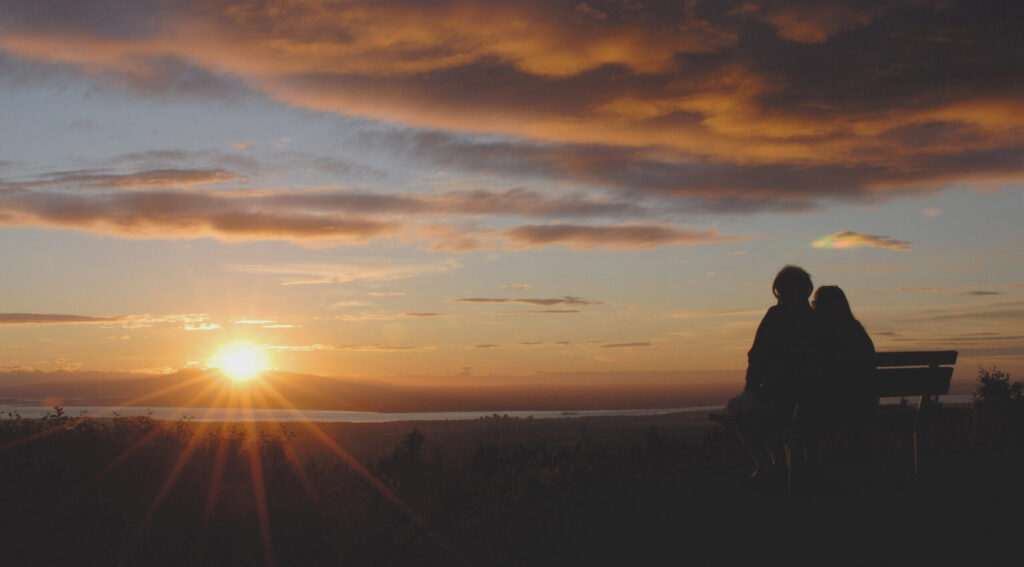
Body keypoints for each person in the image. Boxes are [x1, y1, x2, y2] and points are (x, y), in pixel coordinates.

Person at [732, 265, 819, 477]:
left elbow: (756, 356)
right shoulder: (818, 320)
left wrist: (750, 389)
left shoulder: (775, 317)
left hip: (783, 400)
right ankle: (780, 466)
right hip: (817, 403)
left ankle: (768, 466)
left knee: (739, 411)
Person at [801, 285, 877, 431]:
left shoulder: (823, 337)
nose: (813, 307)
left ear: (824, 307)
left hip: (832, 409)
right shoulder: (857, 331)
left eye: (815, 303)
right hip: (862, 405)